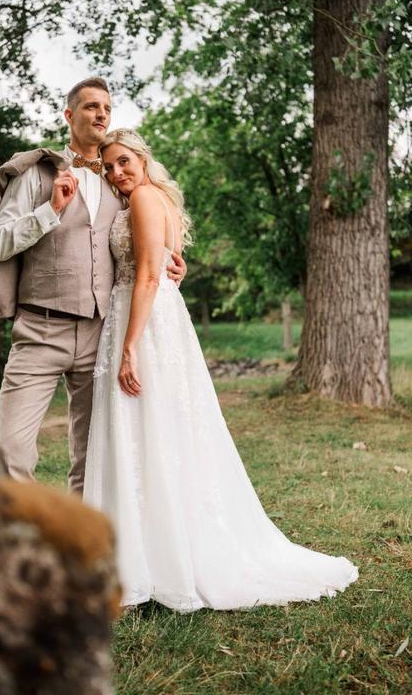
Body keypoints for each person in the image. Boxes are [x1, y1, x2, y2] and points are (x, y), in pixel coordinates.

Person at [83, 128, 358, 612]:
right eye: (108, 167)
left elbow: (147, 275)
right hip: (157, 317)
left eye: (123, 161)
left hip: (142, 321)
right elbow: (164, 263)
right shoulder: (156, 199)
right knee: (159, 430)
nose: (116, 172)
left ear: (142, 159)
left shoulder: (143, 198)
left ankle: (155, 560)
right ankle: (153, 552)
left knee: (146, 428)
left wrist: (129, 347)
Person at [0, 78, 187, 494]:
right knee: (11, 450)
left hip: (100, 332)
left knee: (93, 456)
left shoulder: (118, 180)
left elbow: (144, 241)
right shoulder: (37, 174)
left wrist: (172, 262)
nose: (101, 114)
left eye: (106, 107)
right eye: (90, 107)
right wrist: (50, 209)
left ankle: (80, 532)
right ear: (69, 116)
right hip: (39, 330)